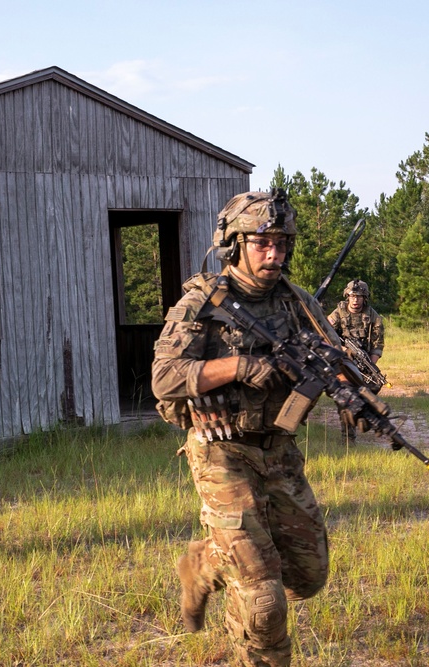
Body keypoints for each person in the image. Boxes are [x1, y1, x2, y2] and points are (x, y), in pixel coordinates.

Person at [151, 189, 332, 667]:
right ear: (234, 244)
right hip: (221, 452)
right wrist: (235, 367)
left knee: (308, 576)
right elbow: (165, 378)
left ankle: (202, 563)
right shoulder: (204, 302)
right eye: (261, 243)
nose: (274, 254)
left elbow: (335, 360)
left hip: (279, 449)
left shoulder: (299, 304)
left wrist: (353, 393)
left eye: (282, 243)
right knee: (263, 594)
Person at [326, 279, 385, 444]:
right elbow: (325, 331)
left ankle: (363, 420)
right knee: (345, 396)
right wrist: (342, 351)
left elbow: (377, 343)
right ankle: (348, 437)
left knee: (371, 391)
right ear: (347, 296)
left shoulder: (373, 316)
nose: (355, 300)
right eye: (352, 296)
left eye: (359, 296)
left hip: (364, 362)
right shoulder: (339, 313)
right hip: (343, 362)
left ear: (364, 298)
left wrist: (370, 365)